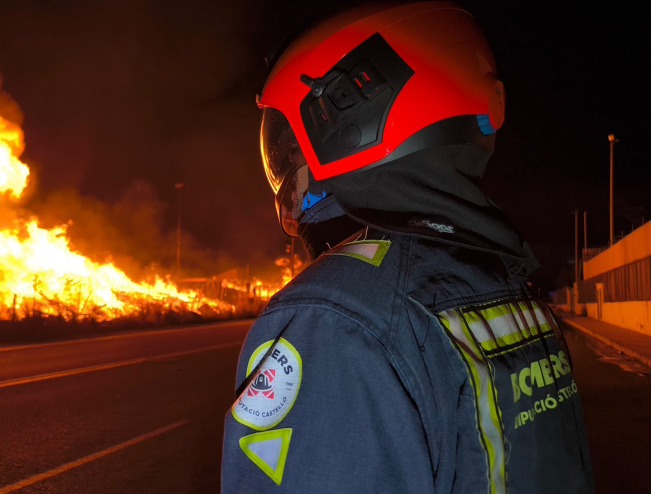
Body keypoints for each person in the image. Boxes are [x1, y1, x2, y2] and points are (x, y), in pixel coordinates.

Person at [220, 2, 594, 492]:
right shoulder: (505, 284)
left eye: (291, 145)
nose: (288, 166)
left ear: (349, 119)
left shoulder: (336, 318)